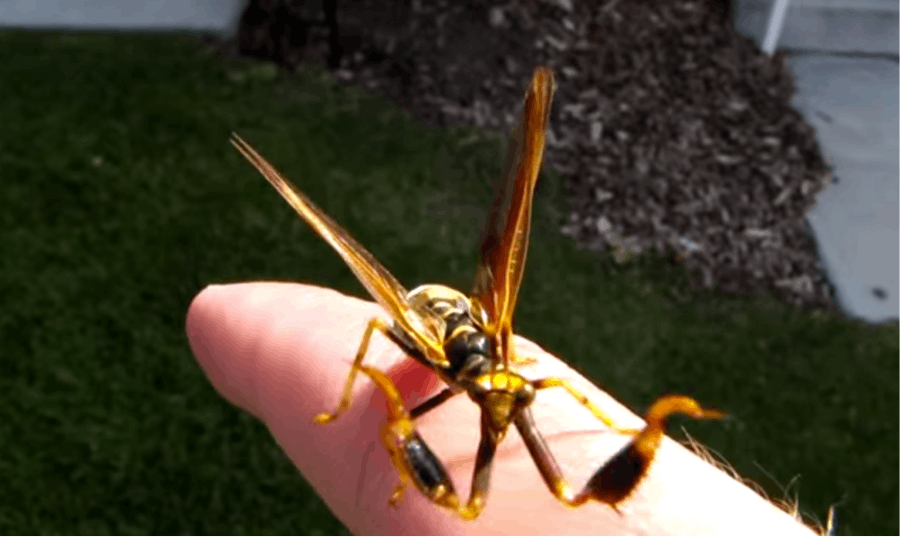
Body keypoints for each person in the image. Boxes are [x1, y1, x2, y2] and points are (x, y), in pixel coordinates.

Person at [186, 282, 817, 535]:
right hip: (432, 323)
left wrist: (629, 428)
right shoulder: (439, 372)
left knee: (513, 468)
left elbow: (550, 396)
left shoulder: (515, 376)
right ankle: (367, 393)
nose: (511, 405)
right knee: (380, 352)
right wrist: (369, 403)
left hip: (476, 344)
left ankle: (650, 426)